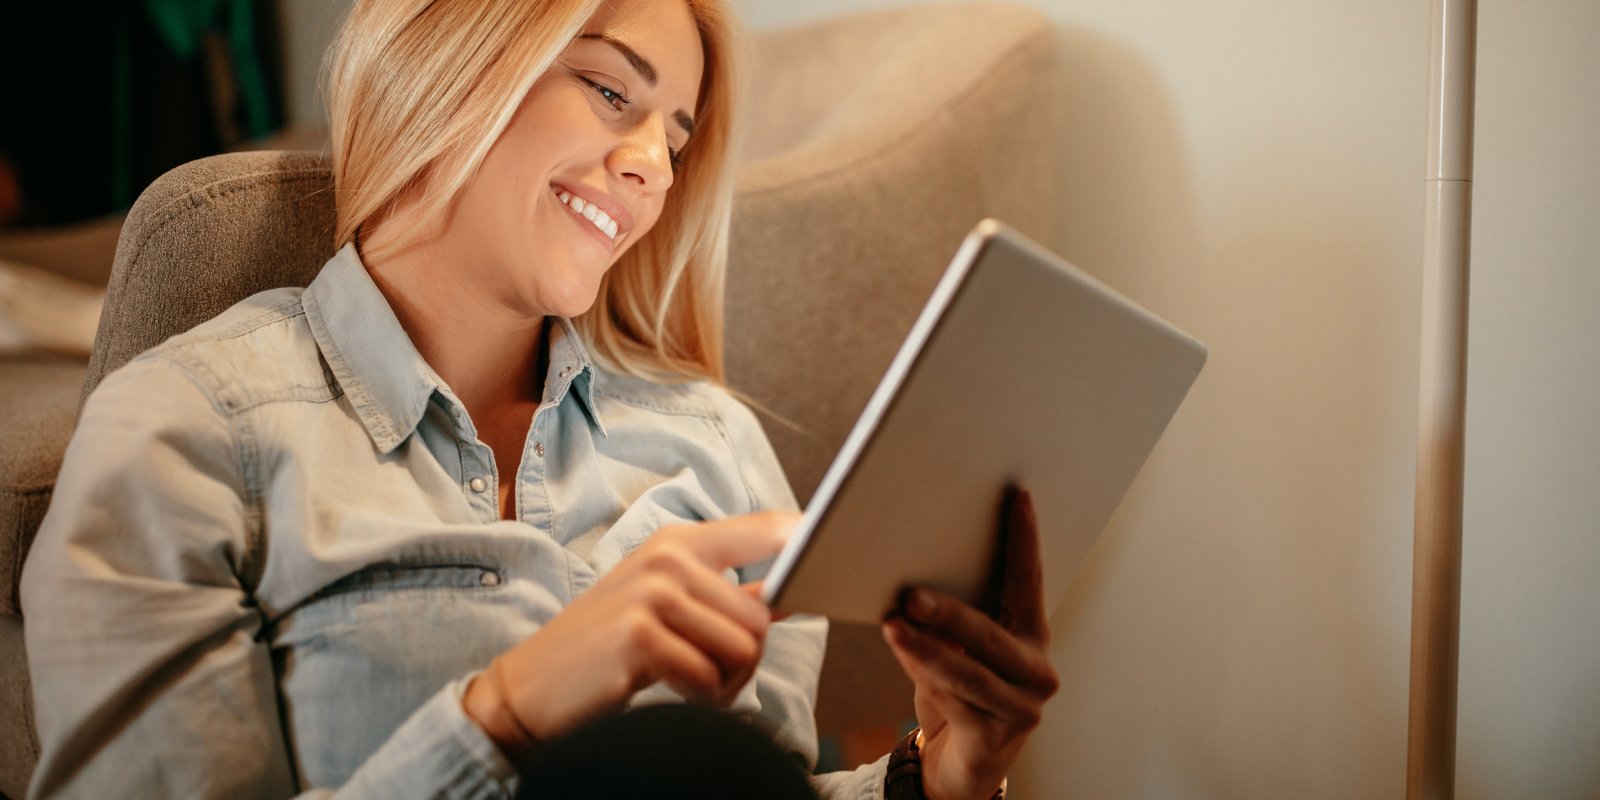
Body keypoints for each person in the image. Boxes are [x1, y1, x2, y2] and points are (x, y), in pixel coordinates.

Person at [19, 0, 1059, 797]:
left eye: (677, 136)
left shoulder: (713, 443)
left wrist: (939, 776)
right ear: (452, 59)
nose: (652, 165)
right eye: (613, 92)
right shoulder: (186, 430)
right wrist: (505, 708)